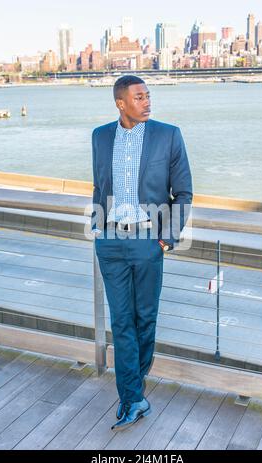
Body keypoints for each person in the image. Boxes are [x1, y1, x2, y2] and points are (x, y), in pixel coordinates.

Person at [91, 75, 193, 431]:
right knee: (121, 323)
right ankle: (132, 398)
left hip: (149, 242)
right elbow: (98, 183)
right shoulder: (100, 136)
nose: (147, 102)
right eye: (139, 97)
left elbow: (183, 194)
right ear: (121, 103)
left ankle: (135, 385)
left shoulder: (169, 135)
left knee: (144, 320)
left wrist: (165, 240)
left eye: (148, 96)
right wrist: (97, 224)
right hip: (111, 243)